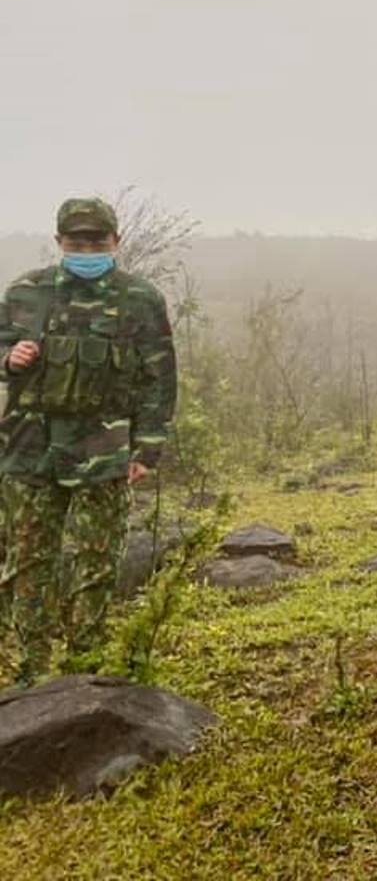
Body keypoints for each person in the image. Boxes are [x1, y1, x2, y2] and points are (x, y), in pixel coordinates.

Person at [0, 197, 177, 687]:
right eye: (76, 242)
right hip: (28, 445)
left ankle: (85, 669)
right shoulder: (25, 292)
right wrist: (9, 357)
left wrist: (148, 449)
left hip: (103, 446)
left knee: (97, 558)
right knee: (28, 558)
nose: (86, 250)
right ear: (59, 242)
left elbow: (158, 377)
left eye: (96, 242)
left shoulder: (140, 299)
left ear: (115, 242)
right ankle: (31, 672)